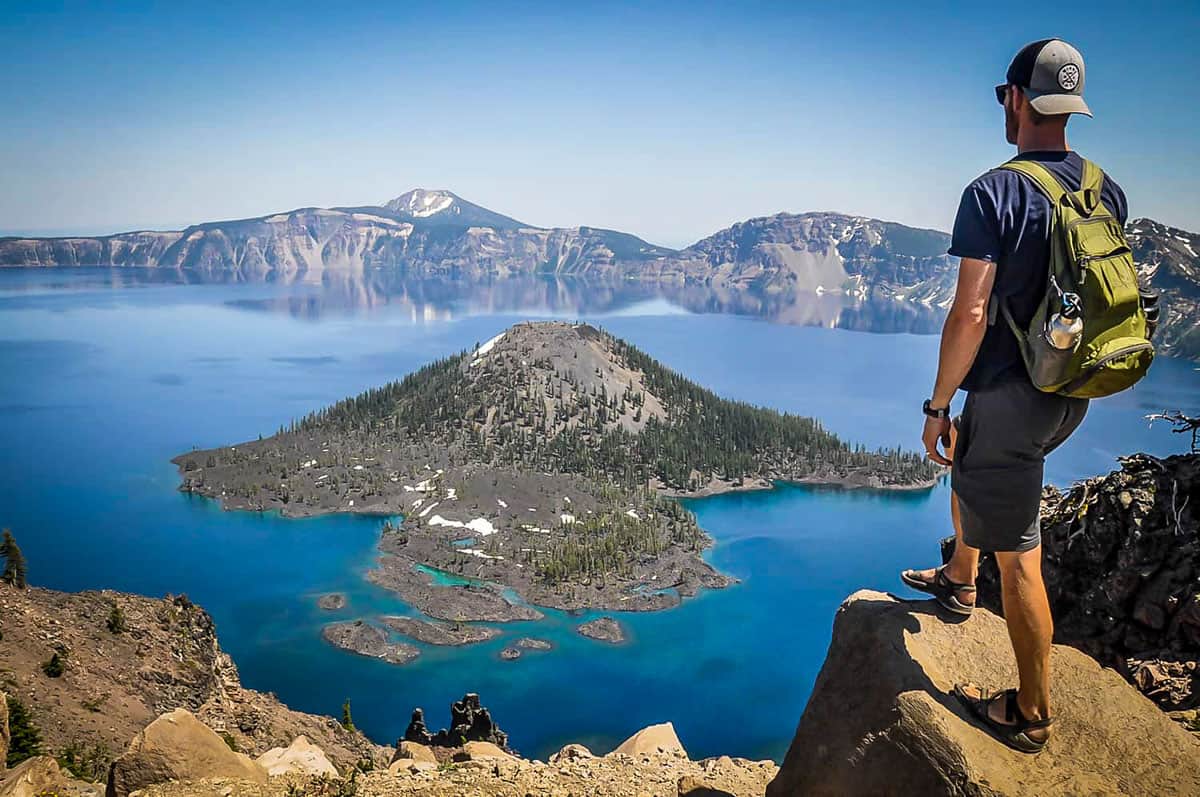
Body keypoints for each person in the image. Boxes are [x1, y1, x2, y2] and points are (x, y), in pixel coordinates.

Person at [899, 38, 1127, 754]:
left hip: (1012, 392)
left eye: (1006, 95)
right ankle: (959, 578)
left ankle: (1030, 711)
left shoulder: (992, 191)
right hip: (1070, 389)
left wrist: (937, 405)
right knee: (978, 458)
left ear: (1018, 100)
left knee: (1020, 553)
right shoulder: (1102, 187)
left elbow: (969, 314)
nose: (1006, 106)